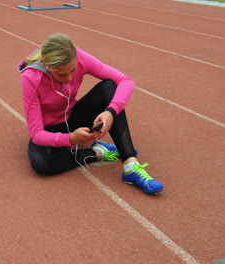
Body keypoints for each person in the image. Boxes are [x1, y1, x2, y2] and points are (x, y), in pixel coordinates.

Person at [17, 33, 163, 195]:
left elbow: (125, 81)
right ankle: (99, 152)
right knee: (41, 163)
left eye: (72, 71)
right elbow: (37, 134)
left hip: (73, 118)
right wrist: (70, 139)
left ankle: (130, 165)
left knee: (109, 87)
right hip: (49, 128)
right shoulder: (31, 77)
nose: (68, 78)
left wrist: (110, 112)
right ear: (47, 65)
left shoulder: (80, 57)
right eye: (61, 75)